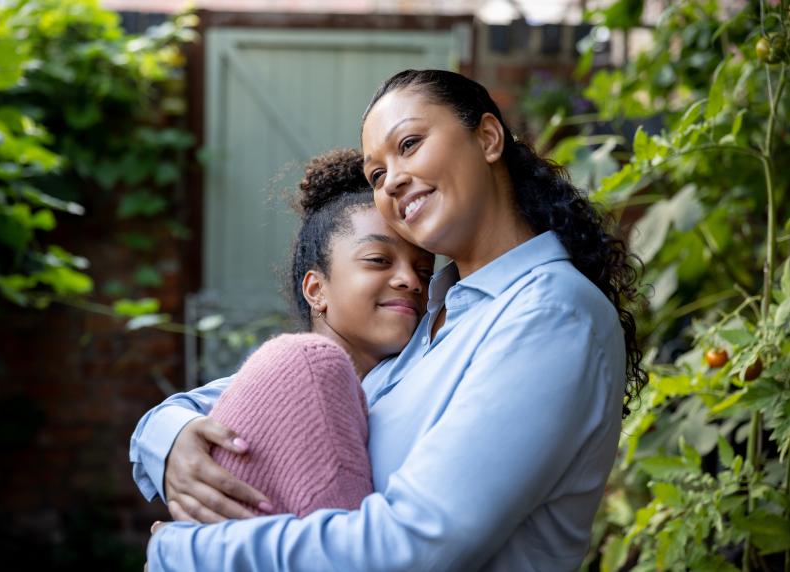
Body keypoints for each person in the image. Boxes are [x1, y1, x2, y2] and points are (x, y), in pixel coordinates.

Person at [134, 69, 646, 571]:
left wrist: (185, 550)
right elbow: (266, 392)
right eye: (376, 175)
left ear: (488, 138)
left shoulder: (550, 315)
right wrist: (169, 439)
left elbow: (414, 546)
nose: (394, 179)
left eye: (409, 144)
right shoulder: (432, 318)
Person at [132, 148, 434, 519]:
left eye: (425, 271)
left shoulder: (427, 375)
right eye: (378, 260)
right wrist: (172, 437)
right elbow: (176, 414)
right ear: (316, 289)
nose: (412, 281)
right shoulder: (295, 370)